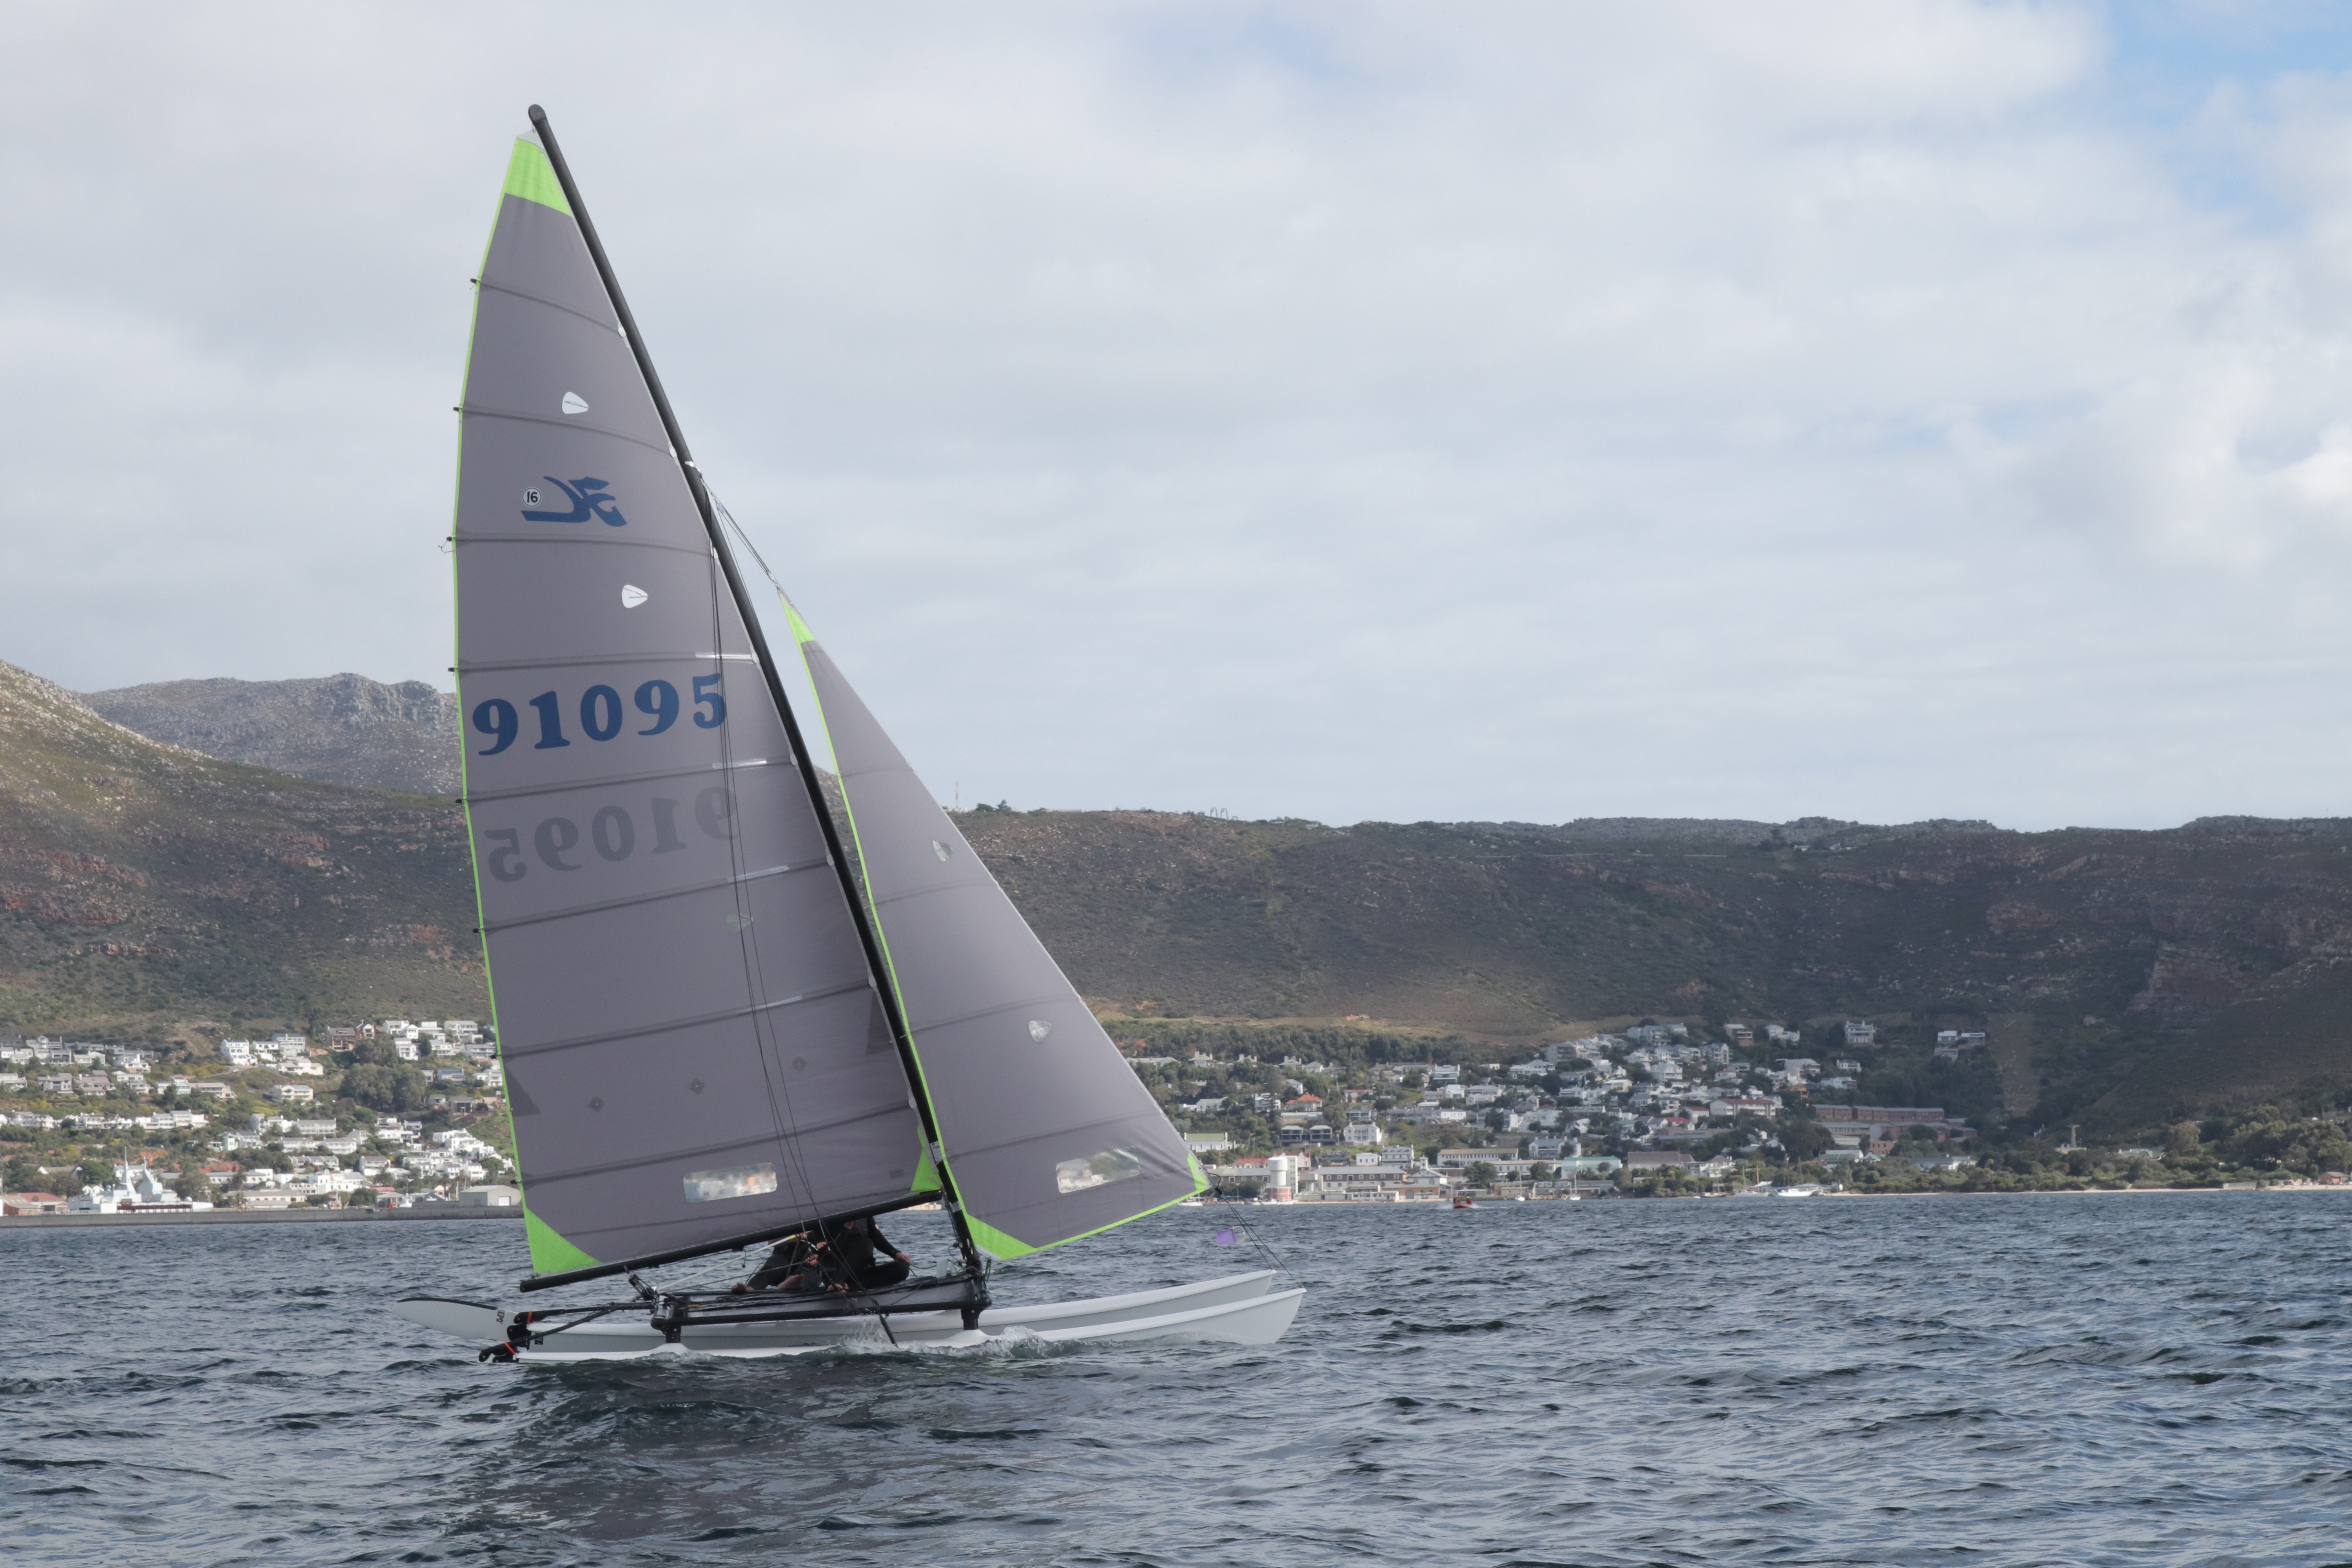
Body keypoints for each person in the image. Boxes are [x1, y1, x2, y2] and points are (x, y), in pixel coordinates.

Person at [730, 1216, 913, 1295]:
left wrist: (895, 1253)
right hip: (824, 1263)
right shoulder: (826, 1214)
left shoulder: (864, 1213)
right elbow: (827, 1250)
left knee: (902, 1270)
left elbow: (875, 1235)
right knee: (774, 1266)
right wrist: (845, 1230)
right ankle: (752, 1289)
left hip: (852, 1268)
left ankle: (847, 1286)